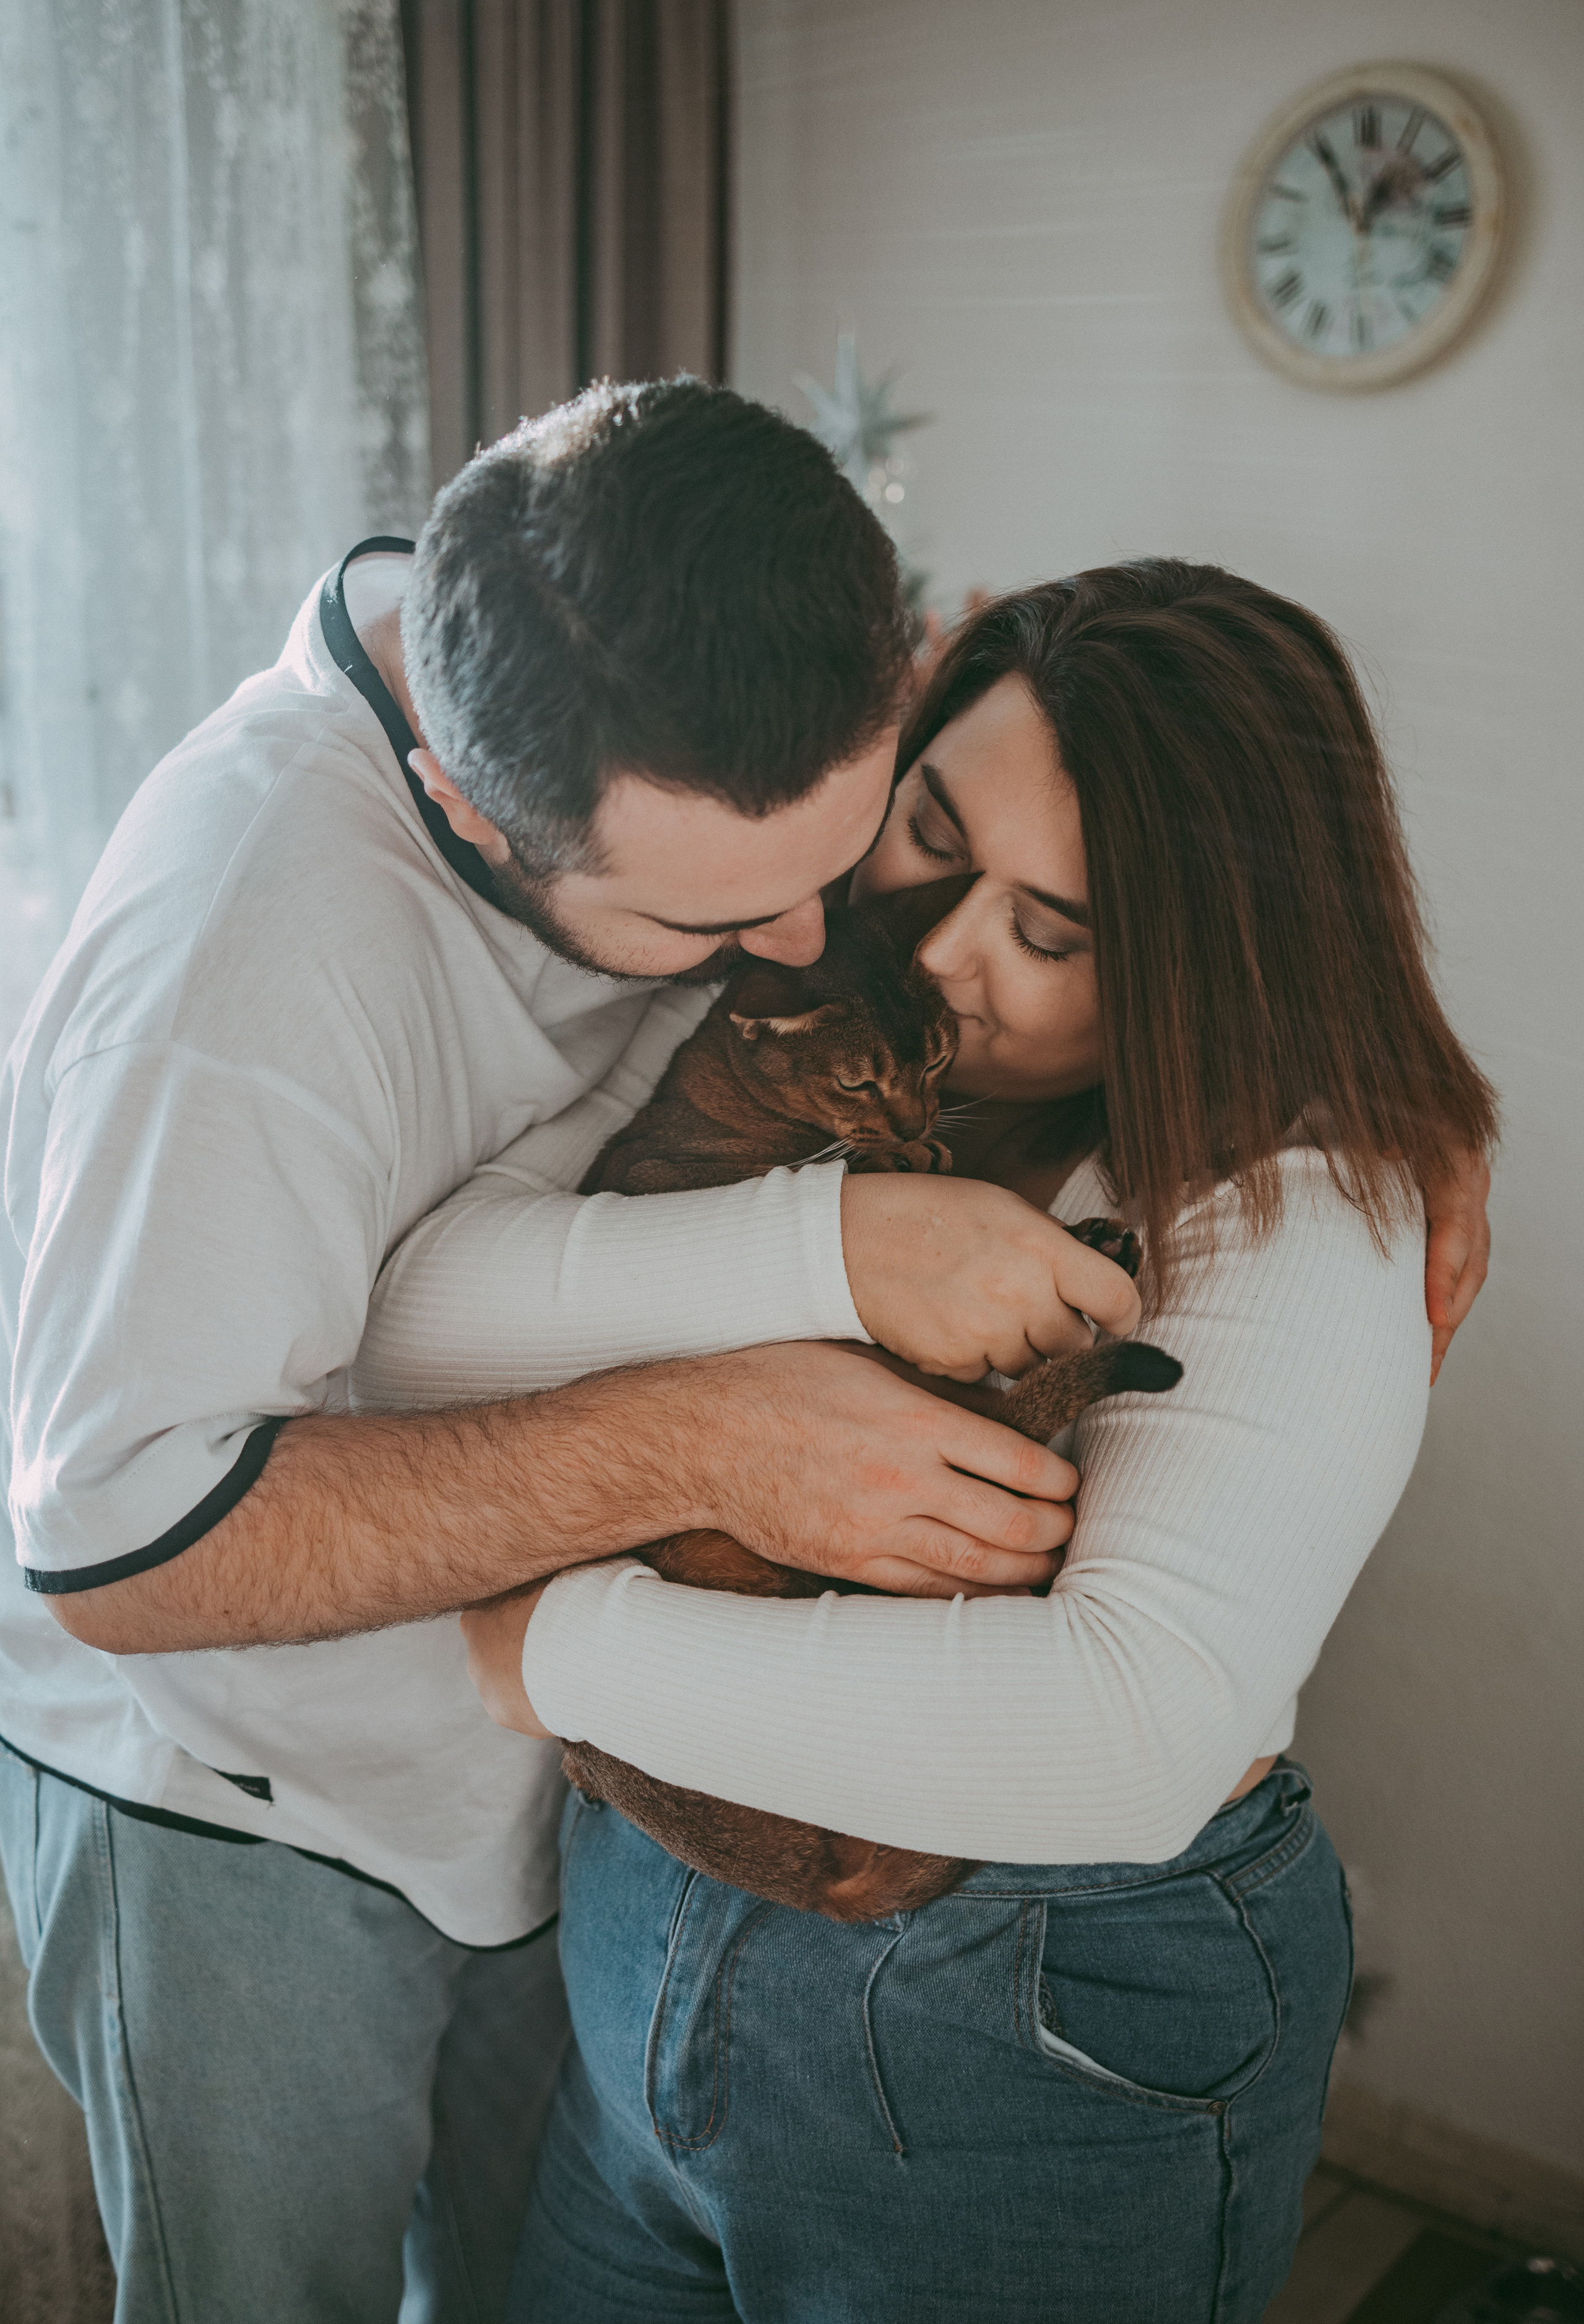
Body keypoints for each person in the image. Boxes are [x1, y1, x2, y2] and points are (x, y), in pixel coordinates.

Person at [0, 381, 1158, 2324]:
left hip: (545, 1755)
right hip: (244, 1809)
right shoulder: (243, 961)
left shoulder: (675, 637)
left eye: (841, 851)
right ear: (468, 803)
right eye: (715, 919)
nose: (811, 944)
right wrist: (713, 1441)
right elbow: (128, 1547)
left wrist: (1390, 1142)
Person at [459, 562, 1500, 2323]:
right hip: (650, 1912)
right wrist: (829, 1250)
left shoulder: (1306, 1209)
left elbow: (1132, 1735)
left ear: (1210, 966)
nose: (942, 948)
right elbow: (424, 1311)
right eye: (930, 830)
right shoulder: (801, 968)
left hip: (1026, 2011)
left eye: (1054, 933)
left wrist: (554, 1650)